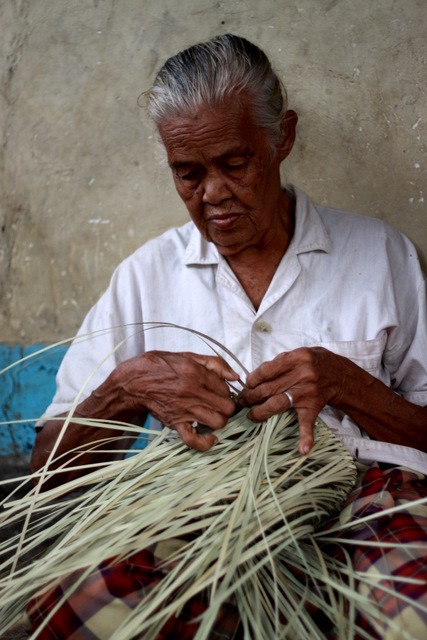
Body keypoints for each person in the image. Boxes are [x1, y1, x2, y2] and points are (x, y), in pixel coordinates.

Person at [29, 34, 426, 639]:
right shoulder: (145, 276)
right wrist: (125, 389)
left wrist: (349, 386)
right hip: (201, 499)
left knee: (409, 615)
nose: (212, 193)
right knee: (73, 607)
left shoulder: (380, 255)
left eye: (234, 164)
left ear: (282, 138)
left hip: (362, 494)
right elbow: (47, 479)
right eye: (188, 173)